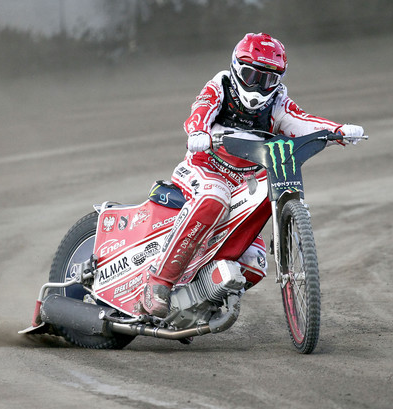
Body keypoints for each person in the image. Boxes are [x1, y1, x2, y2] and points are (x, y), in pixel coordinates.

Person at [140, 32, 364, 318]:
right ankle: (159, 281)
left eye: (268, 79)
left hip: (244, 181)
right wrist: (198, 132)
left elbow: (299, 120)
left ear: (278, 81)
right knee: (214, 196)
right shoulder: (220, 85)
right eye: (251, 74)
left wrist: (338, 130)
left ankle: (196, 304)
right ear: (236, 68)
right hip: (202, 167)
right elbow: (200, 109)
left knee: (255, 263)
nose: (259, 86)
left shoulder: (278, 100)